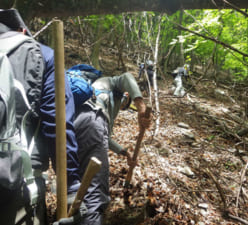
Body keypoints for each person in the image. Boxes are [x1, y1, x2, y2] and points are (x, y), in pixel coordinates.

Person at [0, 8, 82, 224]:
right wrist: (72, 184)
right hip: (17, 184)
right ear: (23, 30)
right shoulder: (41, 54)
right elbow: (58, 123)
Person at [74, 72, 152, 224]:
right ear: (126, 94)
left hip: (74, 127)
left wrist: (125, 152)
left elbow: (106, 138)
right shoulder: (110, 84)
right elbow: (127, 77)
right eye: (126, 103)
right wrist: (140, 106)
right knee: (96, 195)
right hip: (91, 121)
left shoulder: (99, 98)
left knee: (79, 183)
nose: (123, 106)